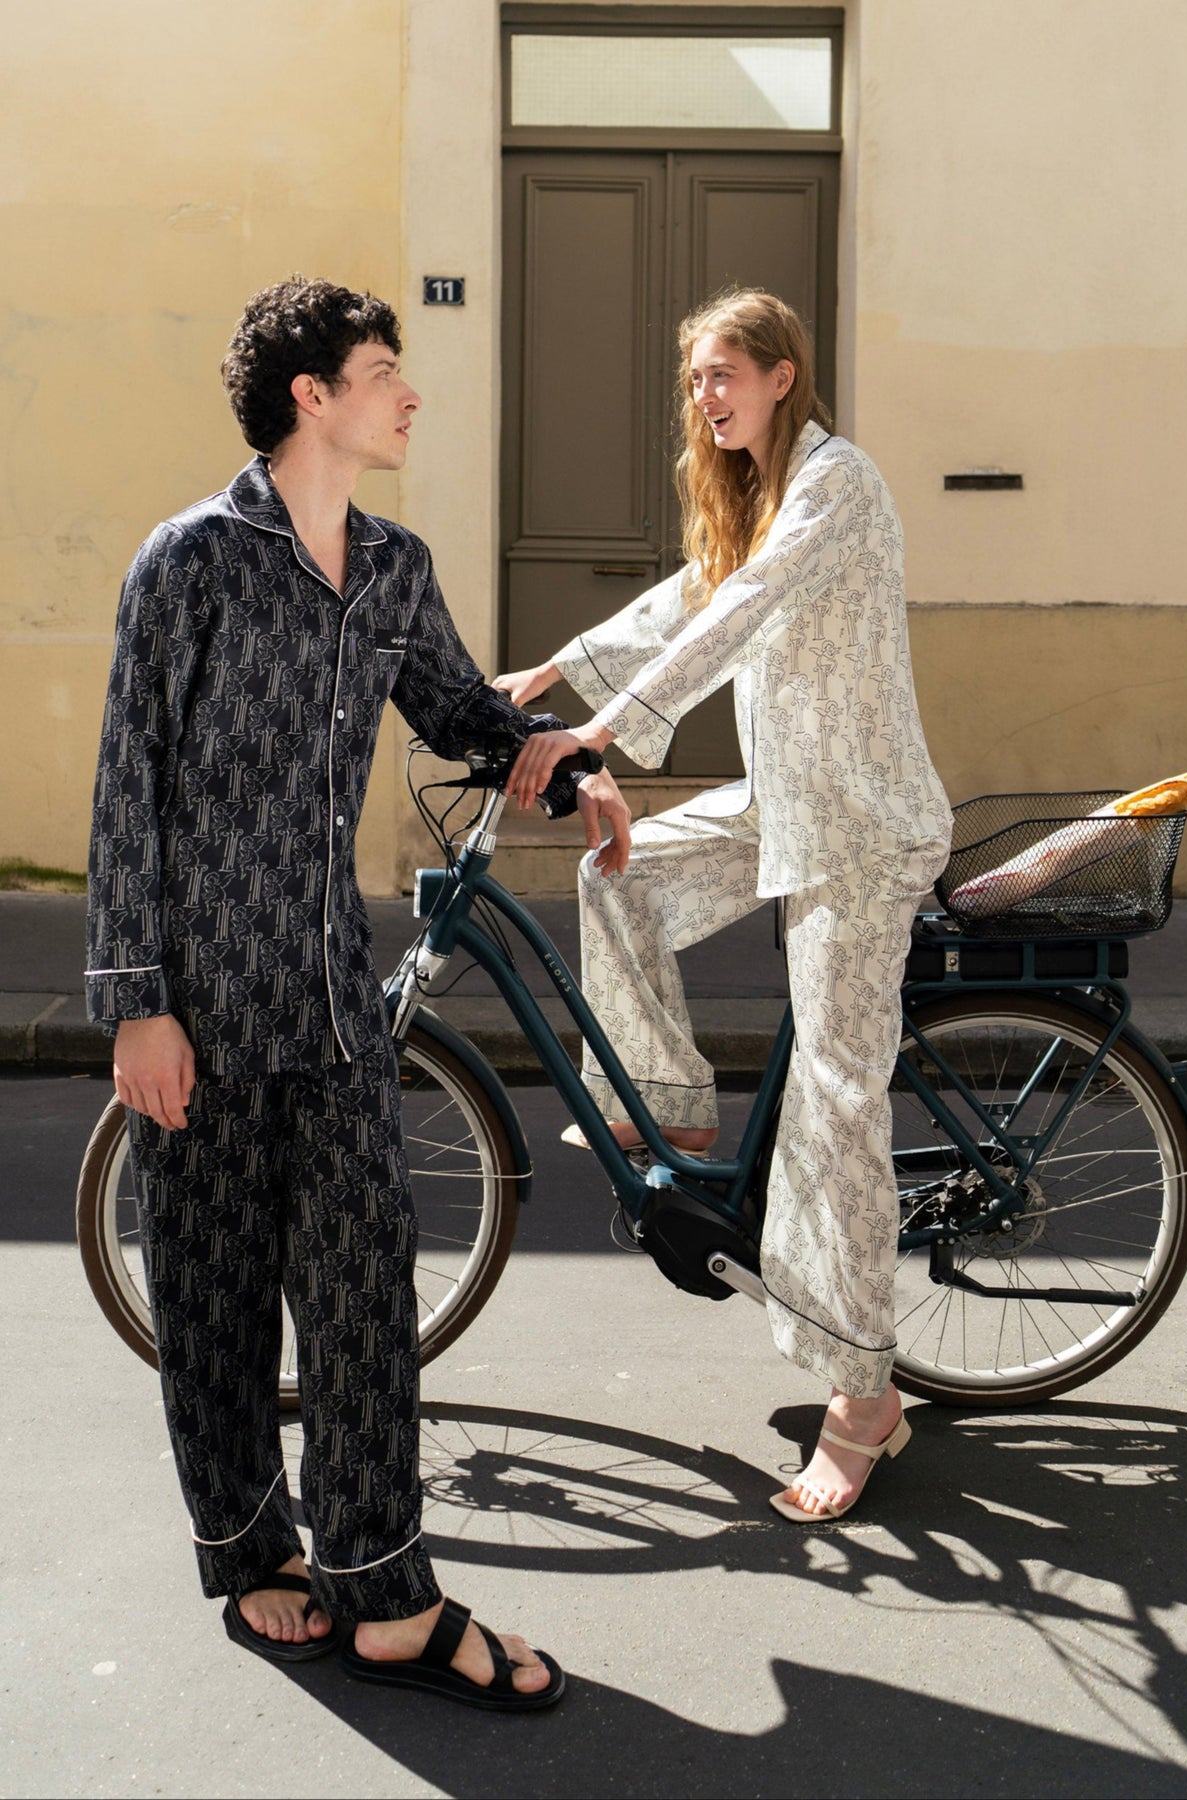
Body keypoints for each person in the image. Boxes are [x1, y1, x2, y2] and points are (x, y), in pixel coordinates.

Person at [86, 276, 629, 1706]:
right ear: (310, 394)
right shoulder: (190, 562)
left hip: (333, 995)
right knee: (213, 1299)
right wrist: (135, 1000)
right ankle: (249, 1552)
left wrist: (560, 764)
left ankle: (386, 1593)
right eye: (385, 371)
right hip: (202, 1000)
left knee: (364, 1289)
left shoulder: (391, 566)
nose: (408, 393)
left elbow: (459, 709)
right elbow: (129, 780)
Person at [496, 289, 952, 1523]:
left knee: (833, 1109)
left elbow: (747, 608)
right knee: (620, 873)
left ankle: (865, 1400)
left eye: (724, 375)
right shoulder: (756, 495)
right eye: (695, 378)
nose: (705, 395)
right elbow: (699, 591)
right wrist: (554, 670)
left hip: (859, 827)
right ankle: (676, 1110)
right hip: (782, 802)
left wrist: (603, 729)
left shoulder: (836, 484)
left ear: (781, 376)